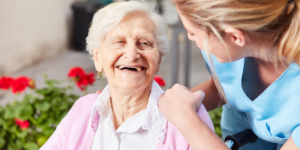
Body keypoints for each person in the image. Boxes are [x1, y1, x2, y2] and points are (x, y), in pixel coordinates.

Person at [40, 1, 214, 150]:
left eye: (144, 43)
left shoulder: (188, 117)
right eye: (119, 42)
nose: (132, 55)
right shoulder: (83, 110)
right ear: (98, 57)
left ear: (159, 59)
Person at [158, 0, 300, 150]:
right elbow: (224, 85)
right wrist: (175, 105)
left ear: (234, 37)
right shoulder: (226, 49)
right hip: (241, 117)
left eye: (192, 32)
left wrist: (185, 118)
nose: (189, 37)